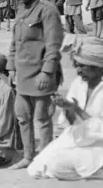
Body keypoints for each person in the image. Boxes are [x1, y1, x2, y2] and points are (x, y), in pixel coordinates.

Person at [7, 0, 65, 170]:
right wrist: (11, 67)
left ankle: (46, 159)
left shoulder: (48, 10)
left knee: (42, 119)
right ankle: (29, 156)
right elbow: (15, 42)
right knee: (22, 116)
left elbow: (54, 45)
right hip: (22, 74)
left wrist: (47, 72)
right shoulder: (22, 11)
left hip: (41, 74)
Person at [28, 36, 103, 180]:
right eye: (77, 66)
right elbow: (70, 121)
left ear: (98, 67)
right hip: (76, 136)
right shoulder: (78, 83)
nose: (78, 71)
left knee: (59, 164)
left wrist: (76, 109)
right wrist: (66, 108)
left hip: (99, 142)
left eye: (82, 66)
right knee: (36, 168)